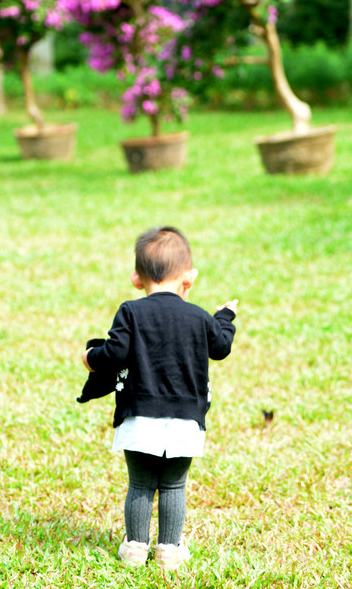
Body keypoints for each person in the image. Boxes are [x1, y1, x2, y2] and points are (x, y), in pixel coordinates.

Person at [80, 226, 238, 570]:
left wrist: (91, 358)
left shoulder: (131, 312)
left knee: (139, 482)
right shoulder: (199, 317)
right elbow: (221, 347)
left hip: (139, 414)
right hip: (186, 418)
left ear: (137, 279)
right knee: (173, 485)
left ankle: (135, 548)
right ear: (189, 279)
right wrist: (224, 317)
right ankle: (169, 550)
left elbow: (116, 351)